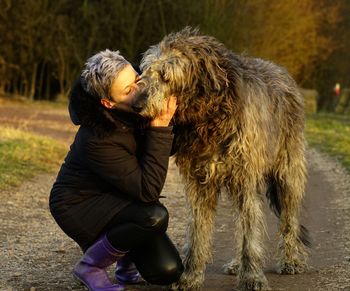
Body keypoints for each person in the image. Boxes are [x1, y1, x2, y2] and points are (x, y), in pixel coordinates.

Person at [49, 49, 183, 291]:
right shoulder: (97, 138)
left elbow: (163, 152)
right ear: (108, 103)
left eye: (137, 79)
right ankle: (90, 266)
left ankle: (125, 264)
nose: (140, 89)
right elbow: (147, 190)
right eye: (128, 90)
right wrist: (160, 127)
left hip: (117, 193)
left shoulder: (135, 103)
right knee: (153, 216)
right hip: (79, 205)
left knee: (168, 271)